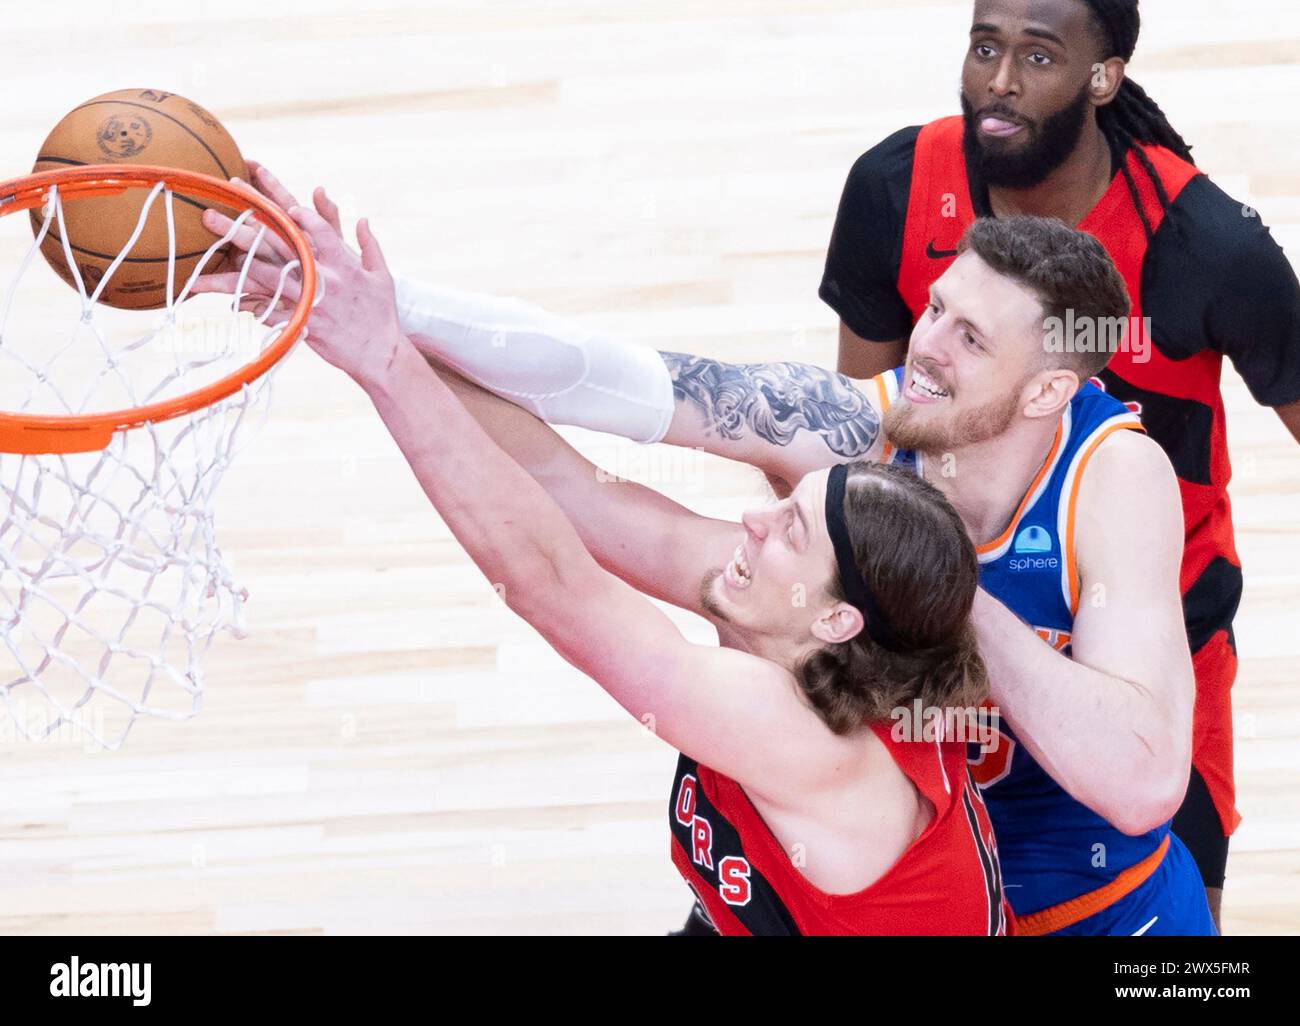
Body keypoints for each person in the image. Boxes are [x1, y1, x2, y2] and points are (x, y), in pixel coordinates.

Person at [294, 202, 1211, 934]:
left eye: (971, 337)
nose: (925, 345)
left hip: (1104, 917)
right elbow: (598, 440)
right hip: (859, 884)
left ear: (1050, 387)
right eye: (934, 309)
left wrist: (947, 593)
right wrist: (372, 312)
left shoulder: (1112, 478)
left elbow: (1141, 786)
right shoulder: (853, 459)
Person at [197, 181, 1013, 936]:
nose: (751, 521)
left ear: (837, 616)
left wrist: (380, 359)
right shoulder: (804, 617)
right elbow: (572, 493)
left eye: (789, 530)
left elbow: (549, 584)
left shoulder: (812, 744)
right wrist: (356, 315)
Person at [822, 0, 1300, 927]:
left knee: (1167, 916)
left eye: (1037, 56)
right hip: (944, 646)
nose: (999, 80)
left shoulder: (1209, 244)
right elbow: (863, 435)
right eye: (984, 47)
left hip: (1157, 642)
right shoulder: (896, 188)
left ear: (1102, 77)